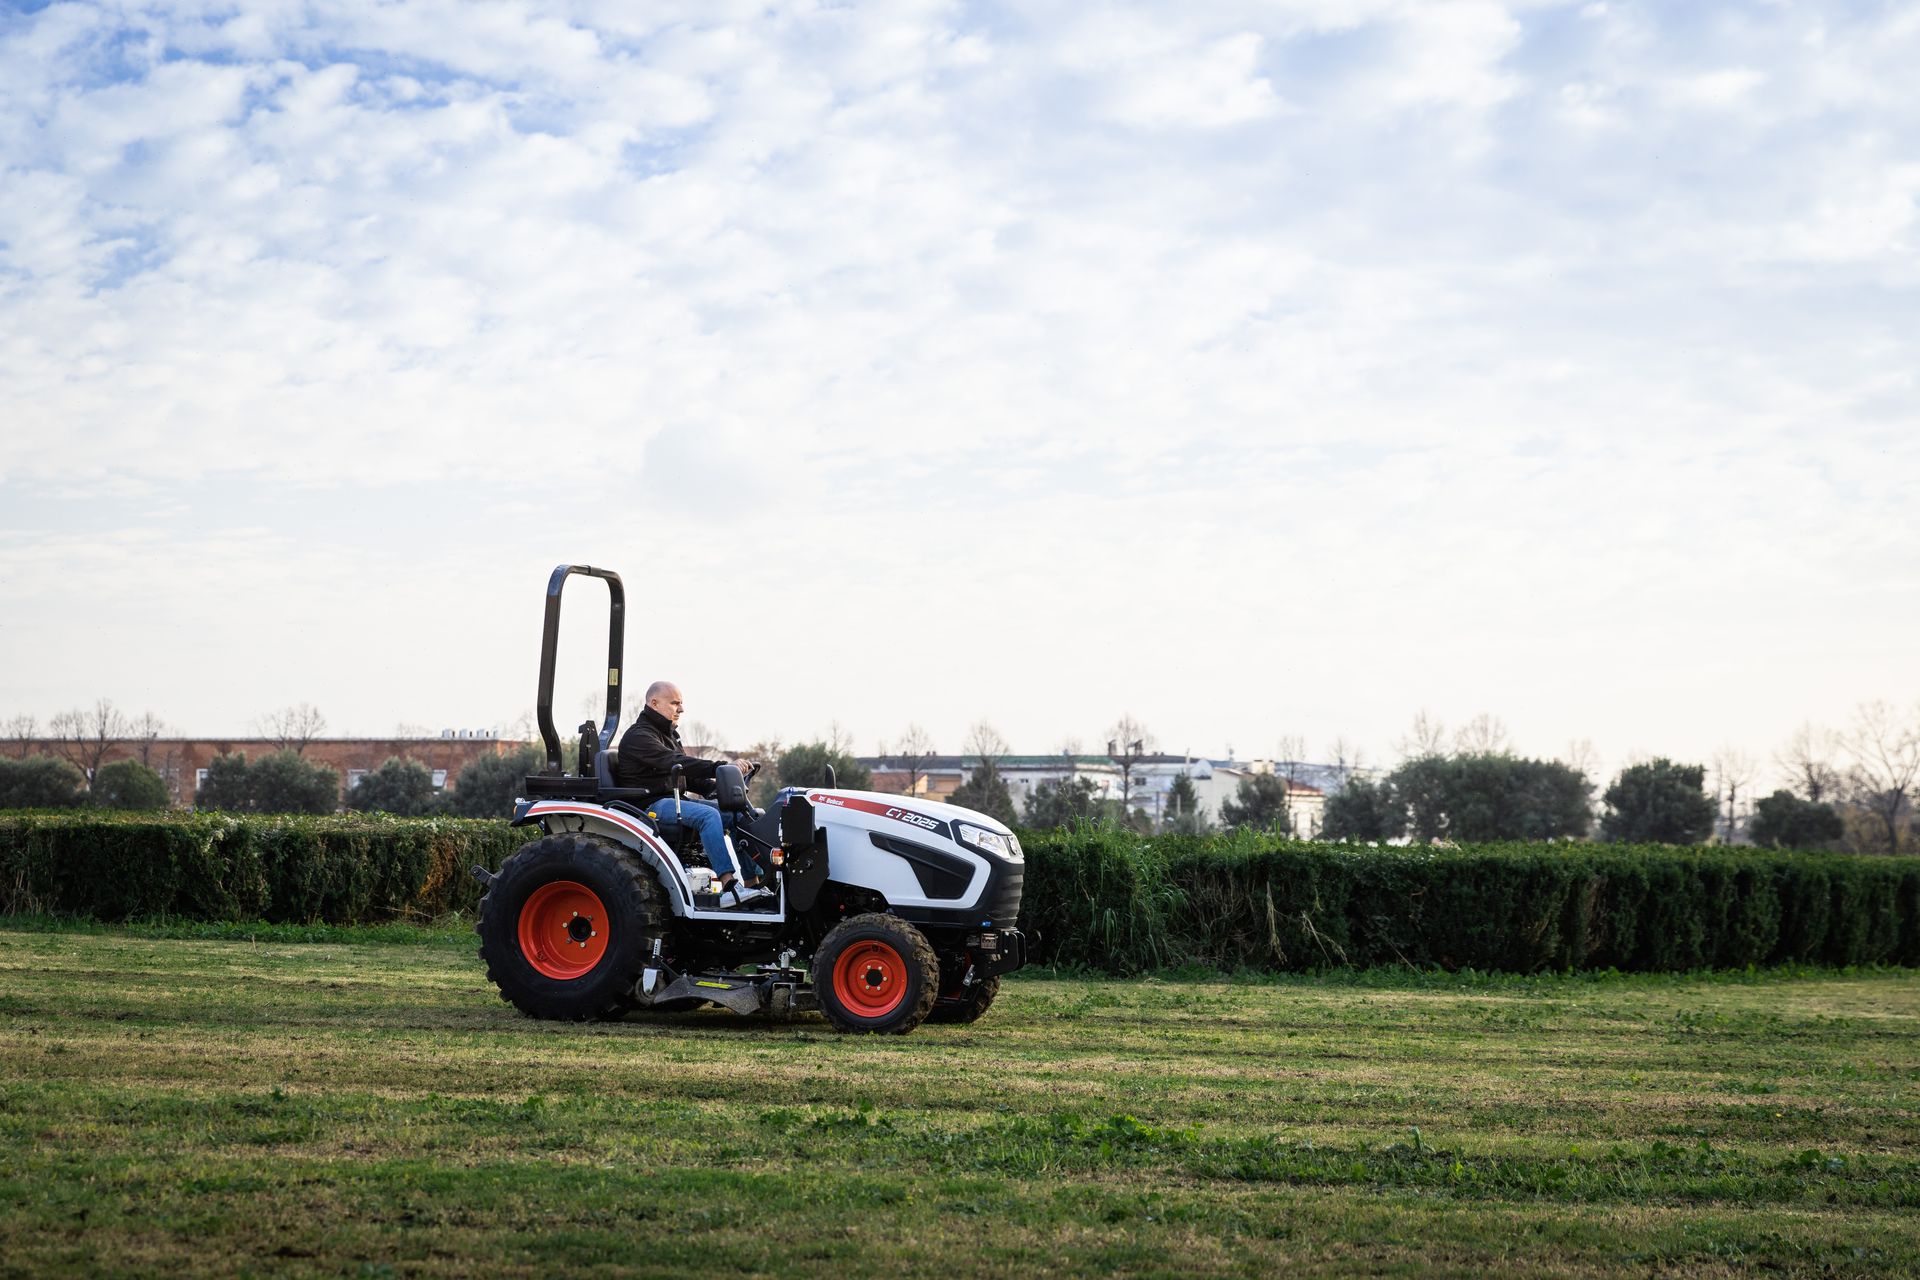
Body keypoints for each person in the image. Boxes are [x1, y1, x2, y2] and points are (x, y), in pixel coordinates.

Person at [613, 680, 770, 907]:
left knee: (737, 813)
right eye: (675, 703)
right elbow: (675, 762)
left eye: (681, 703)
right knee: (709, 816)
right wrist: (722, 767)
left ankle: (752, 885)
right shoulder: (640, 736)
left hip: (672, 800)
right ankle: (729, 886)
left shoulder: (668, 735)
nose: (681, 709)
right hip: (649, 805)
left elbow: (688, 778)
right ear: (654, 703)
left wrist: (716, 787)